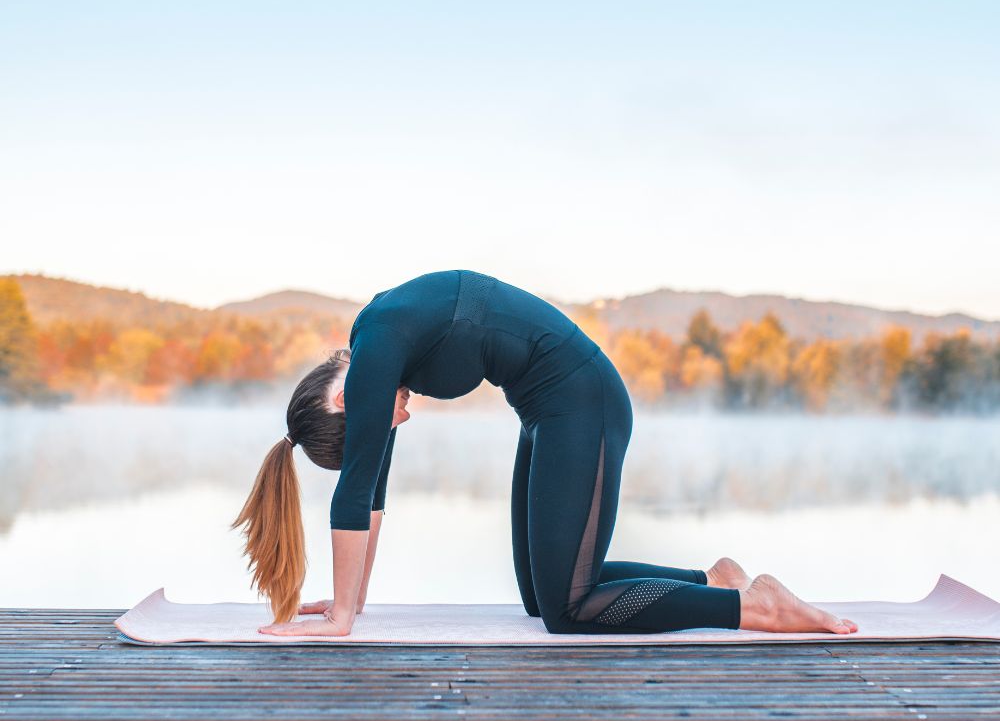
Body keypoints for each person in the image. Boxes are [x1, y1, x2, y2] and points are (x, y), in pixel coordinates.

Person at [232, 269, 857, 638]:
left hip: (584, 402)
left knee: (569, 609)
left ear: (340, 403)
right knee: (543, 595)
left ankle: (752, 605)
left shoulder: (373, 353)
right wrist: (353, 604)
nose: (402, 418)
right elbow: (371, 494)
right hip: (549, 413)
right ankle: (713, 578)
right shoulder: (378, 349)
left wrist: (339, 620)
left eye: (384, 422)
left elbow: (355, 485)